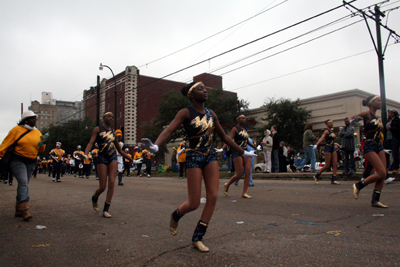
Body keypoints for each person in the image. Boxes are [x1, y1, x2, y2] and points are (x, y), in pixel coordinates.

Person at [140, 81, 256, 253]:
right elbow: (169, 130)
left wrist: (243, 152)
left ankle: (197, 237)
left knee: (213, 197)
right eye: (201, 89)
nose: (205, 91)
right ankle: (176, 215)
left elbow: (224, 136)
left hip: (210, 157)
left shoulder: (211, 113)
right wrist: (156, 146)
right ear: (192, 95)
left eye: (205, 88)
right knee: (194, 203)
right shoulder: (186, 112)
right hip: (194, 156)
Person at [85, 112, 132, 218]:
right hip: (102, 157)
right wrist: (85, 154)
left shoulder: (113, 133)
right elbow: (91, 143)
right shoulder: (98, 129)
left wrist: (129, 157)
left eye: (112, 117)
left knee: (111, 183)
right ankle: (95, 197)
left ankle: (106, 209)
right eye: (109, 116)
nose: (111, 118)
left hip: (112, 157)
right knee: (102, 187)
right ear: (103, 118)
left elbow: (119, 150)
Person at [0, 110, 46, 221]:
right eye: (32, 118)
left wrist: (43, 143)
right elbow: (6, 143)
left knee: (23, 184)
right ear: (25, 120)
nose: (35, 120)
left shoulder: (37, 132)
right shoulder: (16, 130)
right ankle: (25, 210)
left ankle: (18, 209)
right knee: (23, 183)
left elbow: (40, 149)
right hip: (17, 160)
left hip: (31, 161)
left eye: (35, 119)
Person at [350, 95, 388, 208]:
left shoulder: (377, 116)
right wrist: (354, 121)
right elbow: (351, 119)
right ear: (371, 103)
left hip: (379, 145)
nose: (380, 102)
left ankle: (375, 200)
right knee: (381, 172)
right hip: (370, 145)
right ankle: (358, 185)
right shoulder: (367, 114)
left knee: (383, 174)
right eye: (378, 100)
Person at [223, 114, 259, 199]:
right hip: (237, 151)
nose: (244, 120)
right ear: (238, 120)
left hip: (245, 151)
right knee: (239, 174)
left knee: (248, 171)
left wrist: (255, 147)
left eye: (245, 118)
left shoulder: (245, 130)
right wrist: (222, 148)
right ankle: (227, 185)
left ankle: (244, 192)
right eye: (242, 118)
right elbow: (229, 139)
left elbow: (248, 142)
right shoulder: (235, 129)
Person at [313, 119, 340, 185]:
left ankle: (333, 179)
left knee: (335, 164)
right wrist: (317, 144)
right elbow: (322, 138)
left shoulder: (332, 131)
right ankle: (316, 176)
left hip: (333, 147)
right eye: (330, 123)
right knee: (327, 165)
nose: (331, 124)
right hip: (328, 147)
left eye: (332, 123)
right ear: (326, 124)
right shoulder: (326, 131)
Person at [387, 109, 399, 174]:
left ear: (393, 113)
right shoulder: (388, 120)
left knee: (395, 153)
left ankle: (395, 167)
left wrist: (391, 128)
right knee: (388, 153)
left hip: (394, 138)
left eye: (390, 113)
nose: (389, 114)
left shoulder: (397, 120)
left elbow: (398, 129)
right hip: (388, 138)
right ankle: (389, 166)